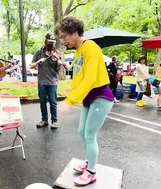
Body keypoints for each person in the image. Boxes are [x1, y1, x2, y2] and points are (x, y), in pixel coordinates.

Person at [55, 16, 114, 187]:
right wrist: (72, 90)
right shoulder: (79, 50)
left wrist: (70, 101)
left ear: (75, 32)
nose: (63, 40)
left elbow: (89, 80)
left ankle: (92, 172)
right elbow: (79, 75)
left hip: (100, 96)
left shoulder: (91, 48)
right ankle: (89, 161)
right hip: (90, 97)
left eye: (64, 36)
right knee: (82, 131)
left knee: (89, 135)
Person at [30, 33, 64, 129]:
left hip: (52, 81)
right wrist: (38, 62)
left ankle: (54, 121)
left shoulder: (58, 52)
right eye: (49, 42)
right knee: (42, 102)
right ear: (45, 42)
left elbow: (58, 70)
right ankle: (44, 120)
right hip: (42, 81)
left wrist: (59, 64)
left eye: (53, 43)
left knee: (53, 102)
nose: (51, 45)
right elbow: (31, 65)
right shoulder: (39, 52)